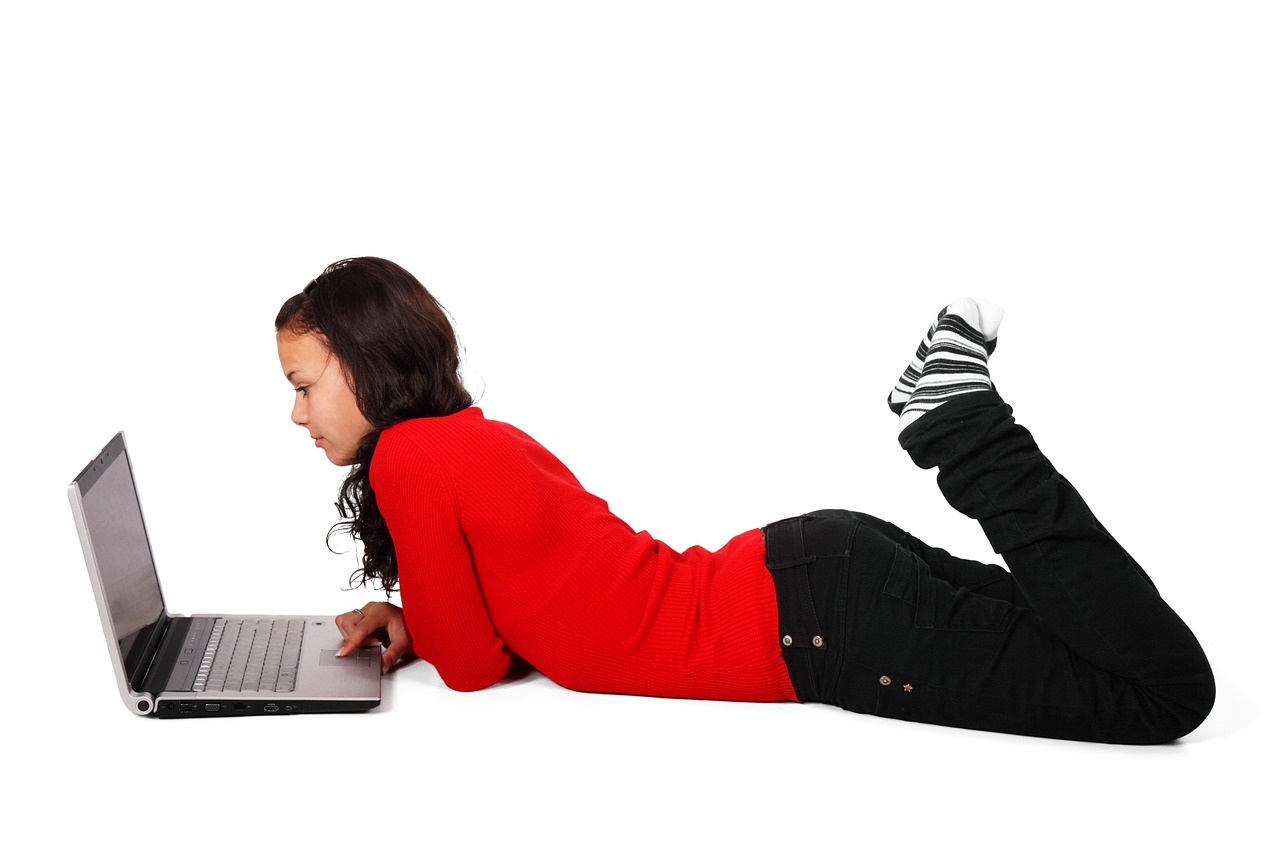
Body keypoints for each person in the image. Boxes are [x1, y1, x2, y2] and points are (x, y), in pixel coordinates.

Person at [275, 257, 1214, 744]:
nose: (296, 411)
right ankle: (954, 407)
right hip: (817, 579)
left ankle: (961, 423)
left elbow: (478, 662)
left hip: (828, 626)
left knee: (1163, 691)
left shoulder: (409, 463)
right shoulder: (475, 435)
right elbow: (517, 613)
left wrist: (427, 628)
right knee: (1096, 637)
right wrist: (414, 623)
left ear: (365, 364)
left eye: (305, 383)